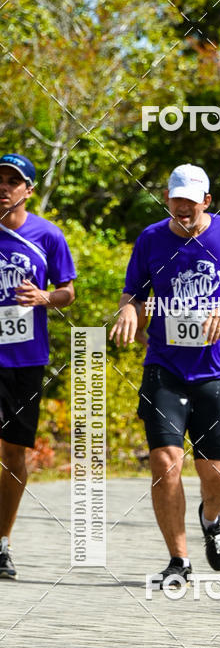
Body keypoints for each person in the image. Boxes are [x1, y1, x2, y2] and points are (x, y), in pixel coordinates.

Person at [110, 164, 220, 582]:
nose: (183, 208)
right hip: (165, 368)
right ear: (167, 198)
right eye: (177, 199)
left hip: (217, 372)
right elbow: (134, 291)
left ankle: (211, 518)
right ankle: (178, 560)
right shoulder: (151, 239)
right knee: (165, 463)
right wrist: (128, 308)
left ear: (207, 202)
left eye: (191, 202)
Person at [0, 153, 76, 579]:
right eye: (0, 180)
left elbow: (67, 292)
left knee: (13, 452)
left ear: (29, 190)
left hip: (25, 359)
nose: (4, 187)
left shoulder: (48, 236)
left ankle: (2, 542)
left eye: (14, 181)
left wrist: (46, 297)